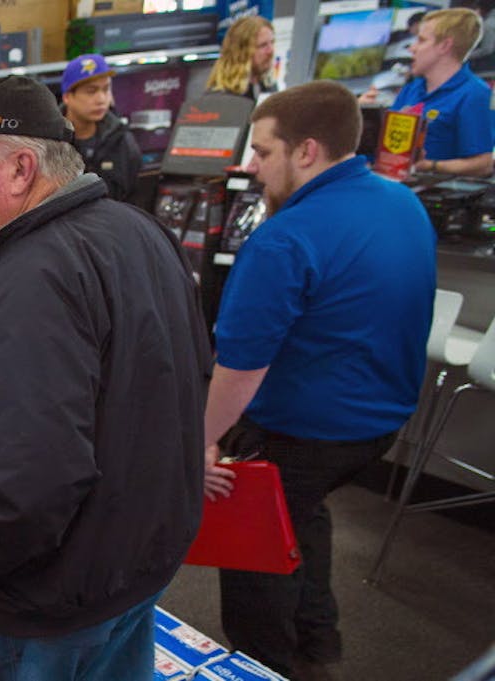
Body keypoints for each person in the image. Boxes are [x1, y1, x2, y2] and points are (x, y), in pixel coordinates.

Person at [0, 75, 209, 681]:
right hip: (137, 560)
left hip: (53, 594)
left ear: (20, 169)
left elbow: (24, 478)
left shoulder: (29, 280)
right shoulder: (140, 231)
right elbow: (188, 379)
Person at [203, 81, 435, 679]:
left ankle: (268, 665)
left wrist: (198, 440)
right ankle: (318, 643)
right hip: (380, 427)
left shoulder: (283, 239)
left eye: (262, 151)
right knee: (302, 513)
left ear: (306, 151)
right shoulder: (402, 202)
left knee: (254, 544)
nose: (252, 168)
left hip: (304, 431)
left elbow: (239, 369)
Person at [364, 8, 493, 177]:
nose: (412, 48)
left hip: (434, 196)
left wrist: (431, 166)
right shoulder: (412, 88)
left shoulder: (476, 94)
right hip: (392, 185)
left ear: (445, 46)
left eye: (421, 40)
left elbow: (483, 164)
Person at [60, 53, 143, 202]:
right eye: (91, 91)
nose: (101, 99)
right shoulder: (49, 142)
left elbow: (133, 200)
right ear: (67, 97)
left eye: (106, 89)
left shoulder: (122, 141)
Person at [207, 16, 277, 99]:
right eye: (263, 45)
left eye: (272, 43)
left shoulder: (270, 89)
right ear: (241, 52)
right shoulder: (220, 98)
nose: (271, 51)